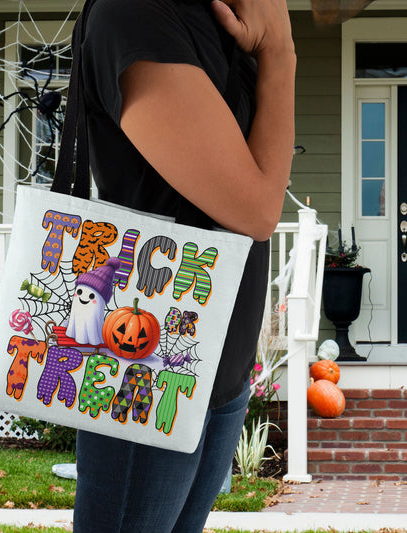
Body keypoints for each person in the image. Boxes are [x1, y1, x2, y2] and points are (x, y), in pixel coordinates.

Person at [73, 0, 296, 531]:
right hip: (149, 376)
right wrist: (281, 54)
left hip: (221, 366)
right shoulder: (138, 14)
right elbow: (258, 208)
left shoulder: (225, 20)